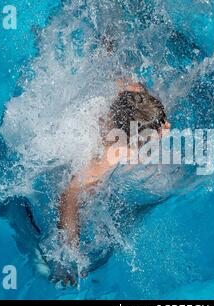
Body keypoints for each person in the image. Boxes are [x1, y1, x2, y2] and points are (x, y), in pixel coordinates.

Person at [53, 82, 171, 286]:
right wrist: (70, 255)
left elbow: (132, 90)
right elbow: (70, 195)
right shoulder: (109, 157)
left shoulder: (137, 102)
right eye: (162, 127)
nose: (167, 127)